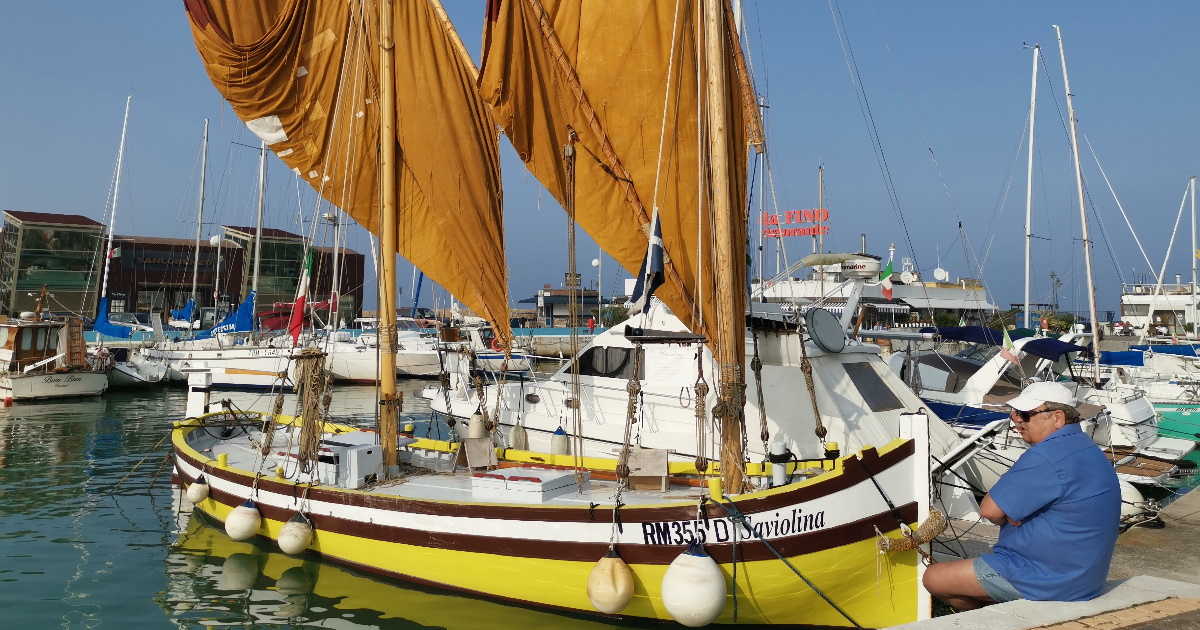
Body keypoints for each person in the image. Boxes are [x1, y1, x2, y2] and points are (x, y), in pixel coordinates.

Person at [923, 381, 1120, 610]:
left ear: (1058, 418)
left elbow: (989, 510)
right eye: (1015, 413)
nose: (1016, 420)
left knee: (935, 578)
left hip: (1045, 576)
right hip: (1084, 577)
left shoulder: (1048, 454)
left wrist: (1009, 514)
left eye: (1026, 414)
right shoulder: (1085, 446)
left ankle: (984, 620)